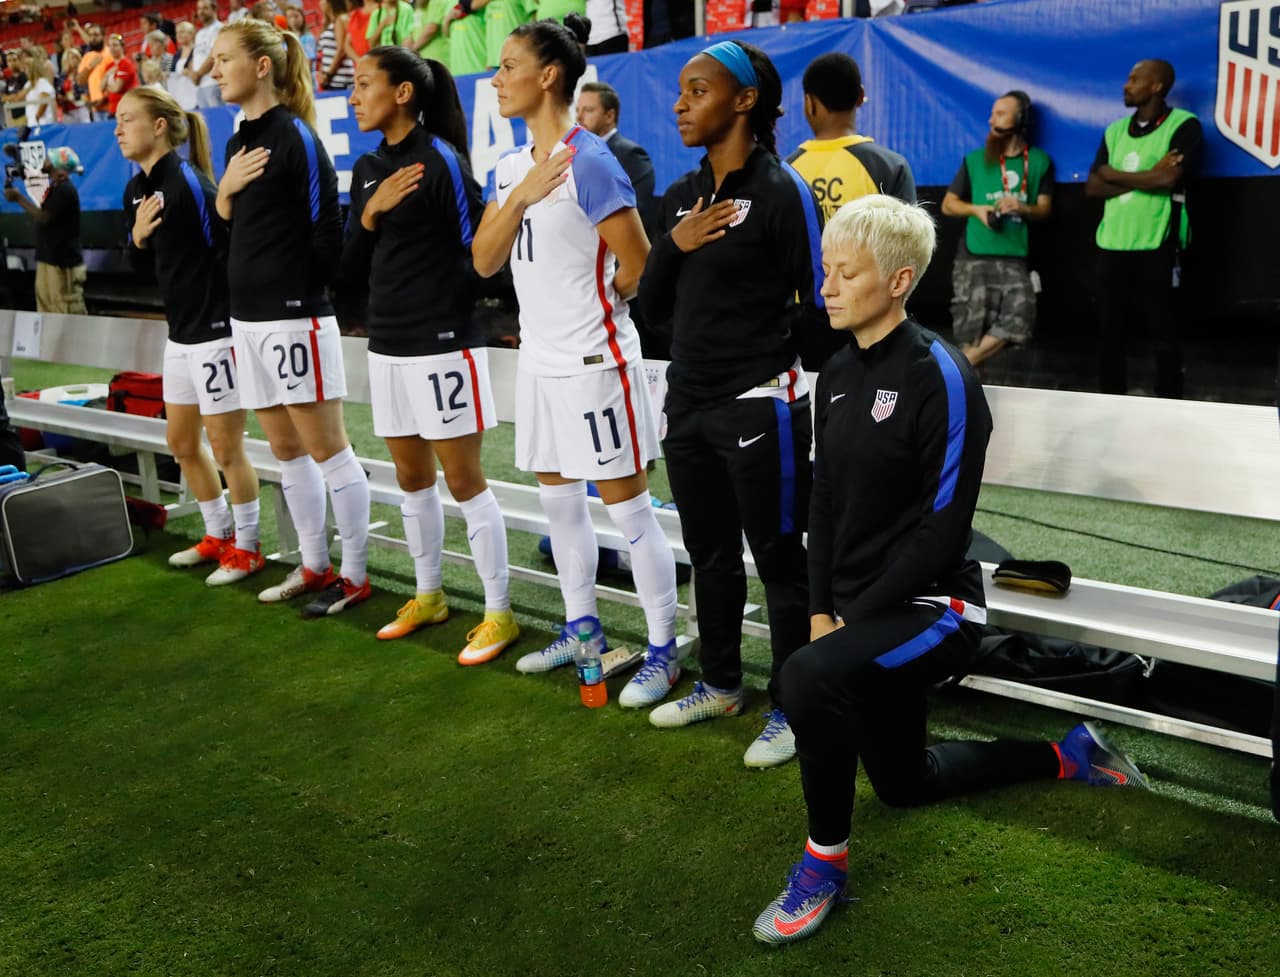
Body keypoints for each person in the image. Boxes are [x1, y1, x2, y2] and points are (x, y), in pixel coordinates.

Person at [750, 194, 1148, 946]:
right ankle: (1066, 752)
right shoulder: (833, 373)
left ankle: (824, 865)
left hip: (937, 608)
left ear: (899, 280)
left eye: (847, 272)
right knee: (905, 785)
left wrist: (846, 622)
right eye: (825, 270)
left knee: (803, 676)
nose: (827, 287)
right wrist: (821, 611)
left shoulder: (943, 374)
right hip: (860, 614)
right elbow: (826, 502)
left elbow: (944, 533)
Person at [472, 16, 680, 706]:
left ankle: (662, 650)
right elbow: (483, 260)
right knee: (559, 507)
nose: (497, 80)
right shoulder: (510, 168)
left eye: (508, 66)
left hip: (597, 365)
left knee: (630, 513)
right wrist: (525, 193)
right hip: (540, 362)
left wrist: (601, 310)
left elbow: (640, 260)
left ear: (548, 76)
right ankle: (582, 631)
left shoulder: (589, 159)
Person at [636, 40, 827, 768]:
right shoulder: (681, 196)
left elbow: (819, 299)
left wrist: (809, 391)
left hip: (758, 402)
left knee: (780, 558)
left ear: (744, 101)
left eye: (697, 90)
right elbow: (651, 312)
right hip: (686, 401)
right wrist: (673, 244)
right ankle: (720, 681)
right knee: (709, 550)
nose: (680, 103)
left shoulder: (782, 191)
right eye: (681, 91)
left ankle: (794, 704)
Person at [344, 45, 520, 661]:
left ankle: (499, 613)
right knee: (412, 480)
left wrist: (454, 314)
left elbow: (483, 257)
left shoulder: (441, 160)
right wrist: (369, 212)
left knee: (465, 480)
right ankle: (430, 595)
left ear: (403, 94)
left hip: (444, 346)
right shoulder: (368, 167)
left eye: (365, 84)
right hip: (386, 346)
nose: (354, 94)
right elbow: (347, 266)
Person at [212, 19, 372, 617]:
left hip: (293, 318)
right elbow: (233, 232)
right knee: (284, 450)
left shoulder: (297, 137)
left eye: (225, 58)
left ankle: (354, 575)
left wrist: (294, 293)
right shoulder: (234, 145)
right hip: (247, 320)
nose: (216, 69)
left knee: (328, 451)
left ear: (261, 66)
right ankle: (313, 564)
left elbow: (326, 232)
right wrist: (224, 195)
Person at [116, 87, 264, 587]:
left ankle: (248, 547)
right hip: (179, 336)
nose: (118, 129)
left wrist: (228, 328)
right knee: (181, 441)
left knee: (227, 447)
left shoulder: (191, 185)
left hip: (215, 334)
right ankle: (218, 533)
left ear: (159, 125)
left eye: (127, 118)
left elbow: (224, 253)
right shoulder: (136, 190)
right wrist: (136, 236)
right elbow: (138, 267)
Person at [1086, 59, 1201, 400]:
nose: (1126, 84)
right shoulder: (1115, 131)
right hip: (1112, 242)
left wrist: (1113, 173)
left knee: (1163, 332)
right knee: (1110, 331)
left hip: (1158, 242)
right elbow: (1093, 186)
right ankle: (1110, 399)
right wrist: (1149, 175)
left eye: (1135, 79)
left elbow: (1169, 179)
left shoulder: (1184, 125)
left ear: (1157, 87)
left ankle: (1169, 402)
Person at [941, 90, 1053, 368]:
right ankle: (964, 388)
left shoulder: (1039, 161)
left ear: (1020, 119)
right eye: (992, 113)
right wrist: (976, 210)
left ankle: (955, 368)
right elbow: (948, 204)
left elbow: (1044, 208)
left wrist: (1023, 207)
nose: (992, 120)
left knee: (1021, 317)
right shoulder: (975, 159)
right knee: (971, 330)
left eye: (1000, 114)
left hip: (1015, 257)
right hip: (974, 257)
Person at [786, 52, 915, 220]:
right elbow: (910, 240)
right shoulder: (891, 167)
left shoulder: (787, 170)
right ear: (860, 97)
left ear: (809, 102)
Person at [4, 147, 86, 314]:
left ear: (58, 166)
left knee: (65, 310)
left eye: (49, 158)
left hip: (62, 264)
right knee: (47, 308)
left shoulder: (64, 190)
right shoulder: (57, 187)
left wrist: (19, 198)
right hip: (50, 259)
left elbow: (44, 217)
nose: (45, 160)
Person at [576, 81, 656, 236]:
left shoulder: (632, 155)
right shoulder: (574, 154)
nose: (579, 117)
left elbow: (637, 216)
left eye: (588, 110)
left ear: (609, 115)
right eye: (578, 110)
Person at [189, 0, 224, 108]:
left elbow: (215, 54)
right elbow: (195, 56)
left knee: (220, 120)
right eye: (199, 9)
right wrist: (193, 74)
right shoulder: (199, 33)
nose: (201, 12)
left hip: (213, 83)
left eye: (205, 8)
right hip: (200, 85)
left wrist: (198, 74)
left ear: (214, 9)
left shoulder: (219, 28)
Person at [317, 0, 356, 91]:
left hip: (341, 79)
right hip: (330, 80)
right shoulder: (328, 23)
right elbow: (325, 53)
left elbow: (342, 49)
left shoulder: (341, 19)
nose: (320, 3)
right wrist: (322, 73)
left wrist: (328, 74)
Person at [100, 34, 138, 118]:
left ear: (122, 47)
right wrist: (107, 75)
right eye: (110, 45)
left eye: (115, 45)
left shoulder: (125, 63)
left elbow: (116, 88)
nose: (112, 48)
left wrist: (107, 86)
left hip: (127, 108)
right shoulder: (109, 66)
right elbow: (101, 88)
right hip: (113, 109)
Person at [409, 0, 452, 65]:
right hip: (421, 59)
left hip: (437, 58)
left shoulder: (436, 2)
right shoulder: (415, 8)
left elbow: (431, 29)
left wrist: (412, 49)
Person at [168, 21, 200, 110]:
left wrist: (189, 73)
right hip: (180, 95)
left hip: (196, 92)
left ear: (191, 34)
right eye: (177, 32)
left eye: (182, 32)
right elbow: (169, 75)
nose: (178, 35)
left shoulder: (198, 51)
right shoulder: (176, 55)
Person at [56, 48, 91, 123]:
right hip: (68, 110)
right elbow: (59, 92)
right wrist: (63, 98)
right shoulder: (62, 77)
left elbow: (85, 91)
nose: (73, 60)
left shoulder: (82, 74)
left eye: (75, 57)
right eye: (70, 58)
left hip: (82, 108)